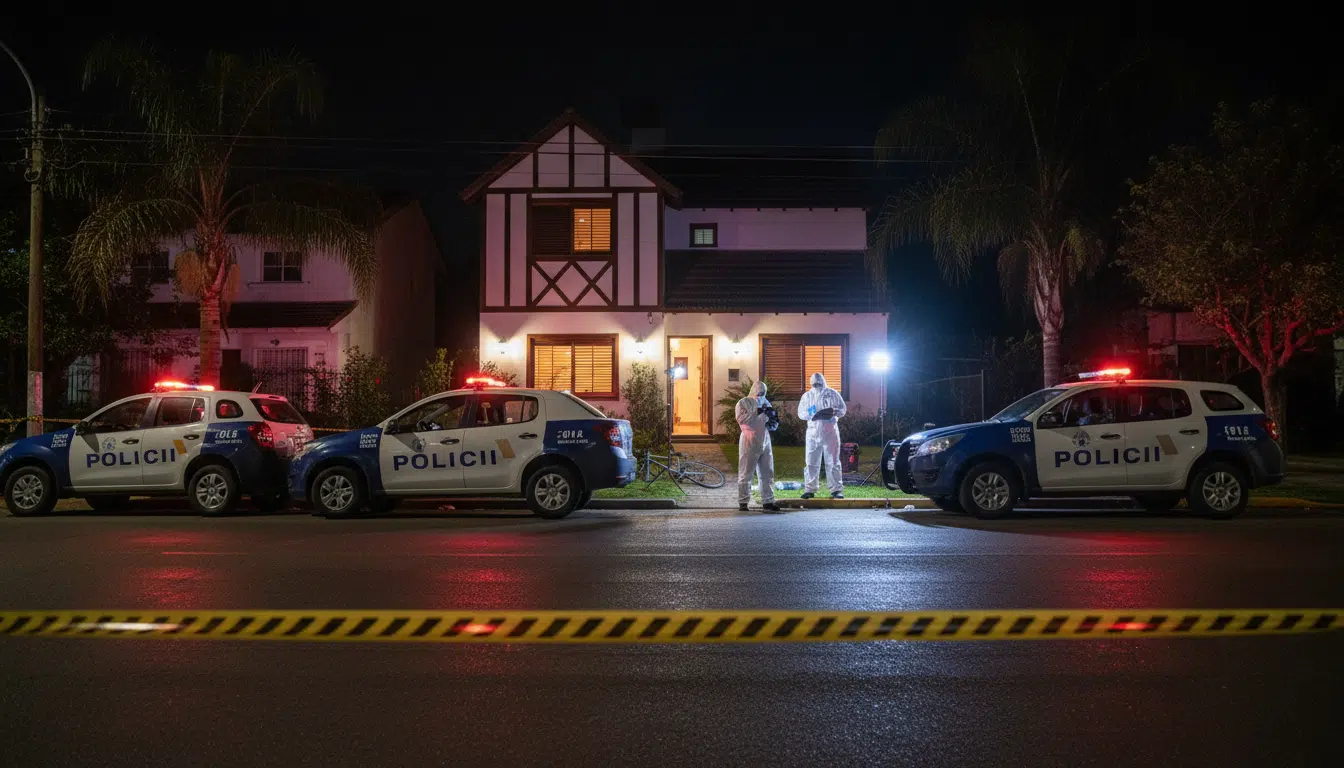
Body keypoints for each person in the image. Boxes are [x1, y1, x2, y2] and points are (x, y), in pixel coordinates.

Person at [797, 372, 847, 499]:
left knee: (833, 460)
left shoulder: (833, 393)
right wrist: (811, 414)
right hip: (813, 432)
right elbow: (801, 413)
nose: (816, 386)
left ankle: (836, 489)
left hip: (830, 431)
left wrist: (835, 412)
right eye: (814, 384)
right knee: (811, 461)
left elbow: (843, 410)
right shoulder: (807, 396)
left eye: (818, 383)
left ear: (823, 382)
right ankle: (810, 489)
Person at [736, 381, 781, 513]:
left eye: (762, 392)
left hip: (765, 439)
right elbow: (742, 420)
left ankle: (768, 501)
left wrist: (773, 418)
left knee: (767, 472)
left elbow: (772, 424)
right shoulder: (743, 402)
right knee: (746, 472)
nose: (760, 394)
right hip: (749, 440)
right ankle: (743, 502)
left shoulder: (766, 403)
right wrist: (759, 414)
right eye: (758, 391)